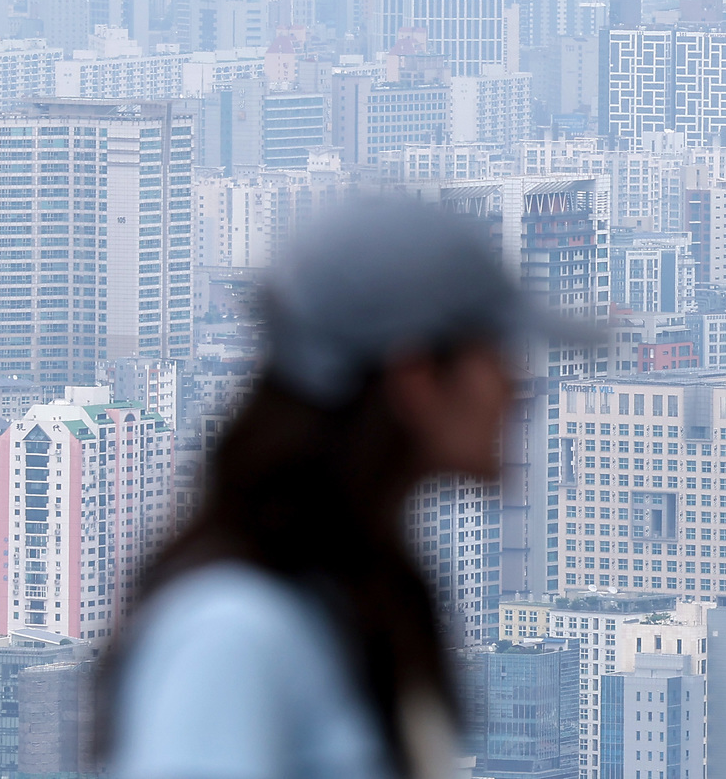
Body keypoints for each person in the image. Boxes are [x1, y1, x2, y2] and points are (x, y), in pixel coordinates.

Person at [98, 195, 600, 779]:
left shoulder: (352, 598)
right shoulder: (234, 630)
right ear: (417, 377)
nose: (519, 387)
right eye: (499, 356)